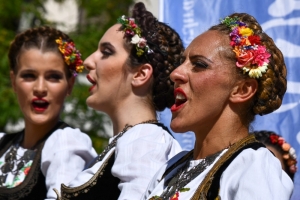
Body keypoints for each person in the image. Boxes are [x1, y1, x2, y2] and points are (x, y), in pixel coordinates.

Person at [143, 13, 294, 200]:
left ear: (242, 90)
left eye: (199, 65)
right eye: (182, 62)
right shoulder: (170, 169)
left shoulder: (252, 165)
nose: (176, 73)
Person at [57, 2, 183, 200]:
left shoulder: (145, 139)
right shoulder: (126, 142)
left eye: (106, 52)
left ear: (141, 74)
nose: (89, 61)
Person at [0, 26, 97, 199]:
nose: (40, 88)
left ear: (70, 84)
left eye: (53, 77)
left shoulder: (66, 143)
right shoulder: (3, 143)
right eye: (29, 76)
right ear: (14, 82)